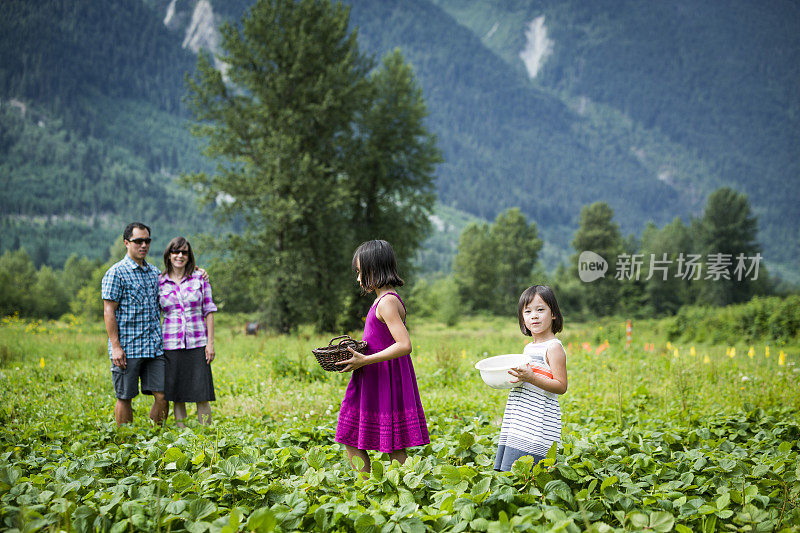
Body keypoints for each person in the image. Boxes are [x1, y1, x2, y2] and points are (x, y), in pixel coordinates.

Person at [335, 239, 429, 472]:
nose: (358, 279)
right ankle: (391, 489)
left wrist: (364, 359)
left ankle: (374, 489)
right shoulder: (385, 299)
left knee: (354, 435)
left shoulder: (387, 302)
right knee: (368, 436)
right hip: (376, 376)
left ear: (374, 270)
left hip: (381, 375)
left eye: (361, 272)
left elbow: (404, 344)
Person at [494, 285, 568, 471]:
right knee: (515, 468)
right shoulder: (528, 348)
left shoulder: (553, 348)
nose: (534, 315)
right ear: (522, 318)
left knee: (533, 467)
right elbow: (527, 377)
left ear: (554, 314)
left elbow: (561, 386)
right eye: (527, 311)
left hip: (540, 416)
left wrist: (530, 377)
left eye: (540, 309)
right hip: (522, 415)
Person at [102, 222, 168, 426]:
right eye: (138, 241)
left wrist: (198, 273)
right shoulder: (116, 273)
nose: (144, 245)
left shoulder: (155, 273)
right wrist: (115, 347)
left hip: (154, 347)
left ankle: (154, 438)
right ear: (126, 243)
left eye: (147, 240)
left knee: (164, 394)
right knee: (124, 397)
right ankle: (126, 442)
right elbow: (109, 311)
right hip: (128, 348)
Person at [159, 237, 217, 427]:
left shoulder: (200, 278)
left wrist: (210, 343)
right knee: (178, 395)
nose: (180, 256)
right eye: (176, 252)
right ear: (169, 255)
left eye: (184, 252)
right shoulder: (160, 282)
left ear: (189, 256)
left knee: (202, 394)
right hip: (171, 345)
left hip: (197, 342)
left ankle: (206, 432)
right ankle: (182, 434)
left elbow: (208, 310)